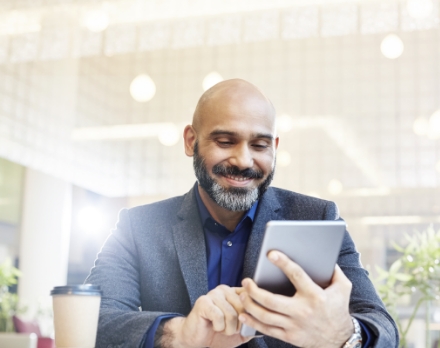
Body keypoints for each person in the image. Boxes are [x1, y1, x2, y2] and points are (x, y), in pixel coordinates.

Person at [86, 79, 398, 348]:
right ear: (191, 141)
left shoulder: (317, 217)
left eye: (260, 145)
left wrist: (342, 334)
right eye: (225, 141)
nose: (243, 159)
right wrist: (179, 334)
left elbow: (382, 327)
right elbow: (91, 322)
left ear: (274, 147)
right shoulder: (137, 226)